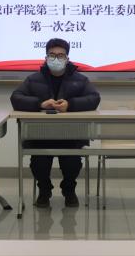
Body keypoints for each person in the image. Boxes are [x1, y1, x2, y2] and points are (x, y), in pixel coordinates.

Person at [10, 38, 101, 208]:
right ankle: (44, 191)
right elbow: (16, 98)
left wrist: (70, 105)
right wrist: (40, 104)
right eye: (52, 55)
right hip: (41, 135)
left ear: (67, 59)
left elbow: (94, 98)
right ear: (46, 58)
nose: (56, 59)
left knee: (72, 163)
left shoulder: (80, 79)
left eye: (60, 56)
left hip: (71, 134)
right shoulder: (33, 79)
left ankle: (69, 190)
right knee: (39, 163)